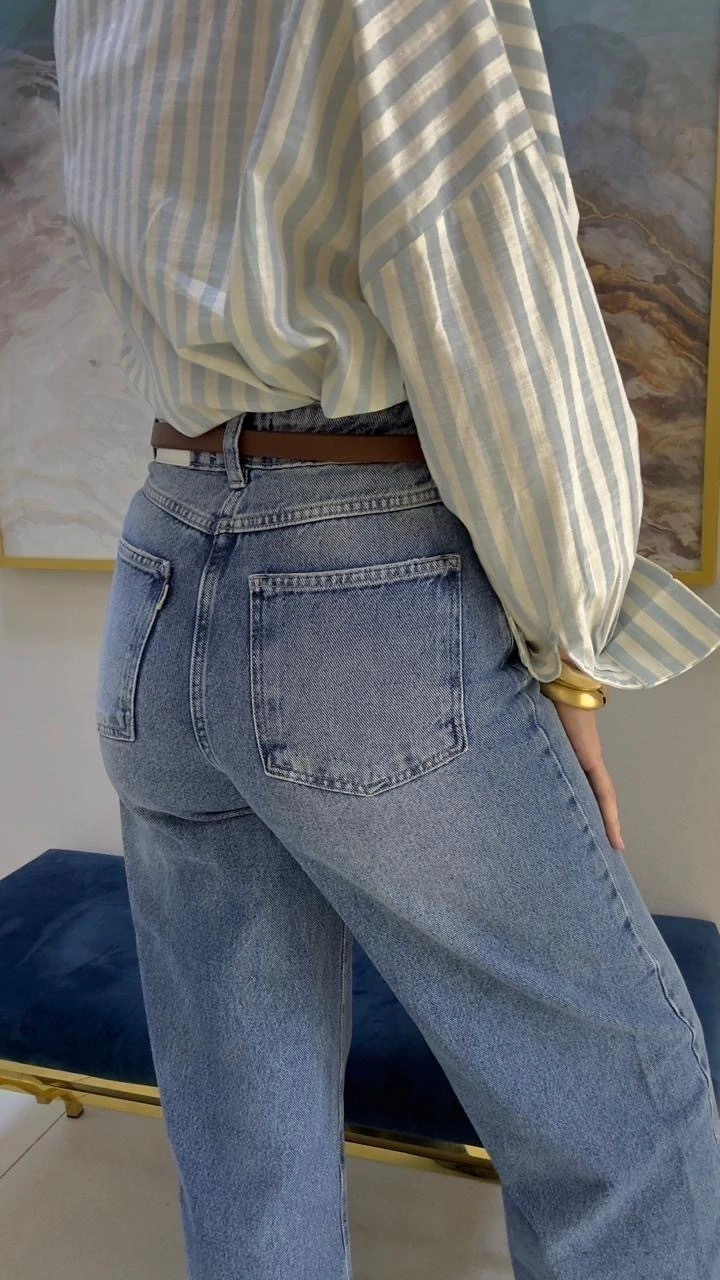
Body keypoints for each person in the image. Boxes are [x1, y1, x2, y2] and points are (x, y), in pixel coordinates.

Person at [53, 1, 720, 1276]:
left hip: (161, 564)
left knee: (247, 1153)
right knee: (630, 1121)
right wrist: (573, 650)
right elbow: (500, 304)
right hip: (358, 578)